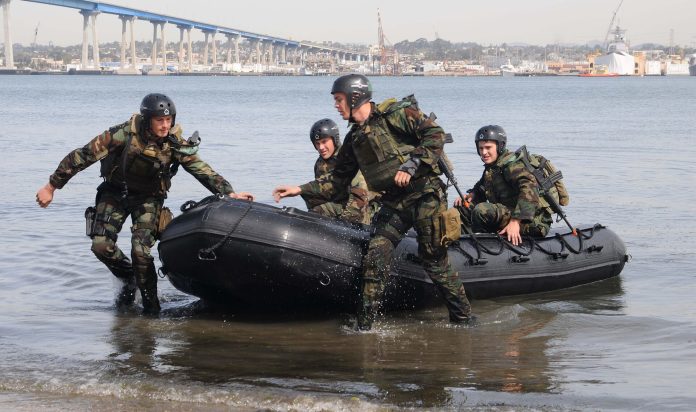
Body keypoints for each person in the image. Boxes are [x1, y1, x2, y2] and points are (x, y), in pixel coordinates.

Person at [273, 74, 473, 330]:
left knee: (433, 260)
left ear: (354, 97)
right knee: (375, 257)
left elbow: (435, 135)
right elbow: (337, 181)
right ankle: (364, 328)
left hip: (425, 194)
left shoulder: (396, 114)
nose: (336, 105)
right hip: (394, 202)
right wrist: (299, 189)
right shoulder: (354, 140)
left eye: (339, 99)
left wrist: (412, 164)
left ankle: (464, 319)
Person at [35, 93, 254, 314]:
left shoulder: (174, 143)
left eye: (168, 120)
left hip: (149, 198)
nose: (165, 125)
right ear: (148, 120)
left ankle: (151, 310)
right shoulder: (122, 134)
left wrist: (229, 193)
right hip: (115, 192)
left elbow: (201, 170)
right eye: (160, 120)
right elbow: (82, 156)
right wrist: (51, 187)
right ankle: (129, 276)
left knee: (141, 252)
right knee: (100, 246)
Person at [455, 125, 552, 246]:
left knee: (482, 210)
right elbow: (482, 187)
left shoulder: (512, 166)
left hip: (531, 222)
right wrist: (472, 195)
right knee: (463, 207)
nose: (484, 152)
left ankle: (483, 245)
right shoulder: (493, 167)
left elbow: (530, 189)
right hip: (509, 213)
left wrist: (515, 222)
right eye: (481, 148)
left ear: (500, 146)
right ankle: (463, 243)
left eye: (488, 147)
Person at [302, 118, 372, 225]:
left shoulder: (347, 158)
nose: (321, 147)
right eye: (317, 143)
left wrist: (346, 222)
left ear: (334, 139)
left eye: (324, 142)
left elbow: (360, 193)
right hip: (339, 203)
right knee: (308, 194)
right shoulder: (320, 163)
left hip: (360, 207)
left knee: (318, 211)